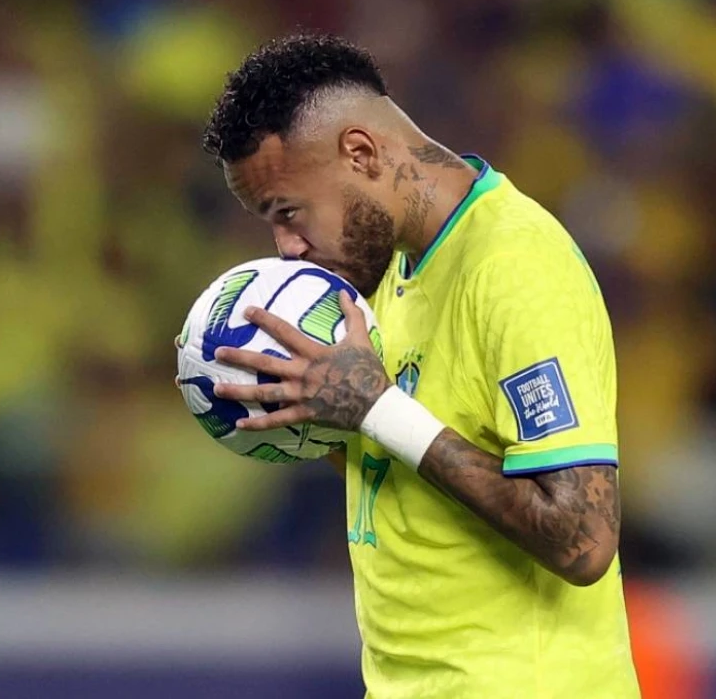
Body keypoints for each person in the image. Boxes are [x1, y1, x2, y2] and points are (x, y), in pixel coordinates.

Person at [201, 34, 638, 698]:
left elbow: (582, 541)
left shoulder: (516, 266)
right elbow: (400, 469)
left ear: (360, 152)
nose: (286, 247)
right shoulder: (375, 278)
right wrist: (296, 403)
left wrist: (377, 408)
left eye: (287, 212)